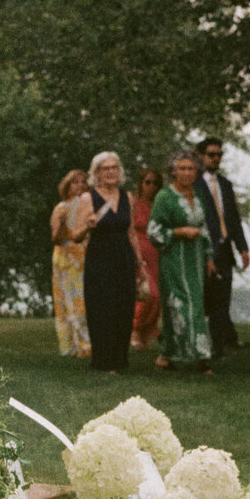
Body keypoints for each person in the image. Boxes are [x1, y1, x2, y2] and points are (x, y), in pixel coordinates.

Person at [75, 151, 146, 373]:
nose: (111, 172)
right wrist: (88, 224)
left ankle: (119, 360)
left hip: (123, 257)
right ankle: (103, 361)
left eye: (114, 167)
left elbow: (132, 232)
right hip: (100, 259)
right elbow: (76, 235)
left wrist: (140, 263)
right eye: (106, 169)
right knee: (102, 308)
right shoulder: (88, 198)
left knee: (124, 308)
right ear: (97, 173)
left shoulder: (127, 197)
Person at [149, 150, 215, 374]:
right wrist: (178, 231)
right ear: (173, 171)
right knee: (179, 305)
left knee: (195, 304)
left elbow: (204, 229)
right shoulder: (164, 197)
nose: (186, 173)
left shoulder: (197, 196)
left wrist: (209, 256)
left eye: (191, 169)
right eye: (182, 168)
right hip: (173, 259)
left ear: (197, 172)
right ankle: (198, 356)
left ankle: (169, 354)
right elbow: (154, 232)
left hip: (195, 260)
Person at [196, 136, 250, 358]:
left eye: (219, 155)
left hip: (225, 249)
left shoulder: (225, 185)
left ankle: (217, 348)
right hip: (203, 250)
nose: (216, 158)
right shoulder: (195, 184)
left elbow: (234, 218)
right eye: (211, 154)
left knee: (222, 299)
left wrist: (243, 247)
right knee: (202, 298)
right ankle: (196, 345)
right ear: (201, 156)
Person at [50, 169, 91, 358]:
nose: (80, 186)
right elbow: (56, 238)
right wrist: (62, 224)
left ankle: (87, 342)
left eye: (83, 182)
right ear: (68, 186)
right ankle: (76, 344)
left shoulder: (90, 205)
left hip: (86, 255)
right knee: (72, 301)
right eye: (75, 182)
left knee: (86, 300)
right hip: (67, 259)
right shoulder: (61, 208)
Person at [131, 168, 163, 349]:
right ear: (141, 184)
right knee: (148, 294)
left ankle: (146, 332)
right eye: (147, 182)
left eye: (155, 183)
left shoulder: (160, 204)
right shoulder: (133, 203)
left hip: (158, 254)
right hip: (140, 253)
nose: (151, 186)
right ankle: (134, 329)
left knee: (158, 299)